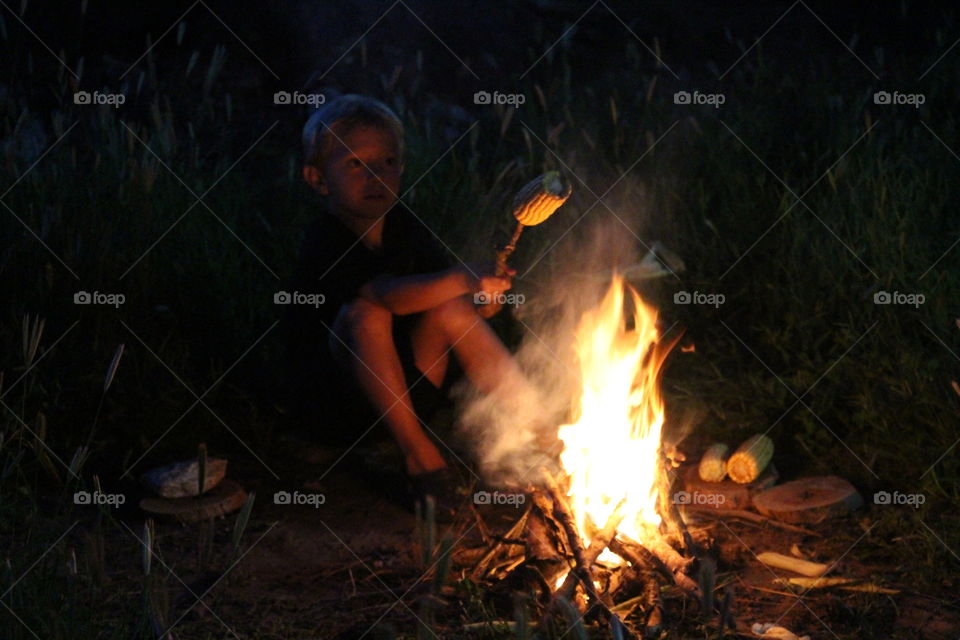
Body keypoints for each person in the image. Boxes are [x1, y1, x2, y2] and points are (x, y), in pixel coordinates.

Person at [281, 94, 524, 511]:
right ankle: (421, 460)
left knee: (450, 307)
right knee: (366, 313)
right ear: (317, 179)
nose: (376, 175)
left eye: (388, 162)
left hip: (414, 391)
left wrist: (481, 297)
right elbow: (386, 297)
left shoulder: (406, 228)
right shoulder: (325, 239)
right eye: (356, 164)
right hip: (343, 406)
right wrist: (459, 277)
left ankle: (536, 425)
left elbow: (452, 298)